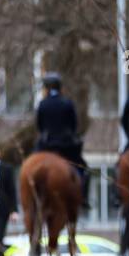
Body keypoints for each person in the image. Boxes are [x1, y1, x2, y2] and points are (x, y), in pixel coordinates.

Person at [34, 72, 90, 206]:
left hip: (46, 145)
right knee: (83, 168)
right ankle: (83, 198)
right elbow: (73, 125)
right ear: (60, 88)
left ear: (46, 88)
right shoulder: (67, 103)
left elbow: (40, 126)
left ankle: (33, 195)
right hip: (66, 146)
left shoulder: (42, 104)